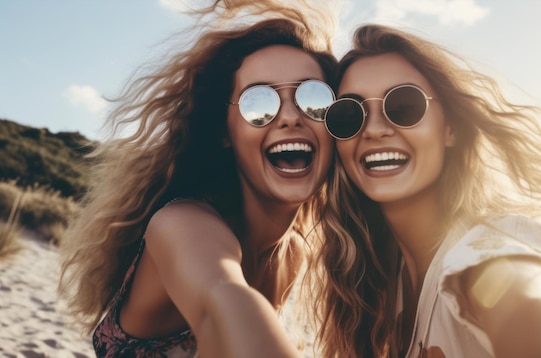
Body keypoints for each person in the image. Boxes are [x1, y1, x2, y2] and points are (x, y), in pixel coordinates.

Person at [314, 23, 541, 357]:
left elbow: (523, 309)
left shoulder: (485, 252)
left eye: (404, 106)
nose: (374, 129)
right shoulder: (381, 284)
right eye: (350, 114)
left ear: (451, 129)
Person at [57, 1, 338, 357]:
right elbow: (220, 304)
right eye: (258, 103)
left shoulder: (292, 255)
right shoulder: (181, 224)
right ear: (225, 131)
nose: (289, 117)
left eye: (313, 98)